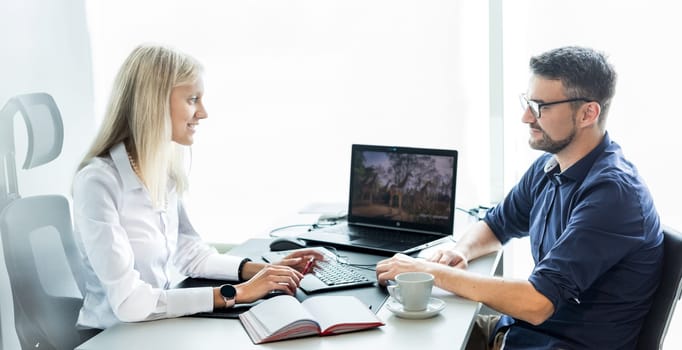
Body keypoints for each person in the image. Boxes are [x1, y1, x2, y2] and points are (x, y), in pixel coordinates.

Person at [375, 46, 663, 349]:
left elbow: (537, 303)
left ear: (588, 113)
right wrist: (460, 252)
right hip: (520, 335)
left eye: (541, 106)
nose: (526, 117)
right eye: (528, 101)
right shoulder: (551, 165)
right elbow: (497, 225)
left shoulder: (612, 196)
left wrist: (429, 271)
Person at [72, 44, 323, 331]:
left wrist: (262, 271)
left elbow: (189, 253)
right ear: (153, 103)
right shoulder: (98, 183)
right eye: (192, 99)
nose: (202, 113)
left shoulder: (161, 172)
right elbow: (130, 302)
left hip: (158, 326)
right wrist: (236, 293)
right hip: (112, 335)